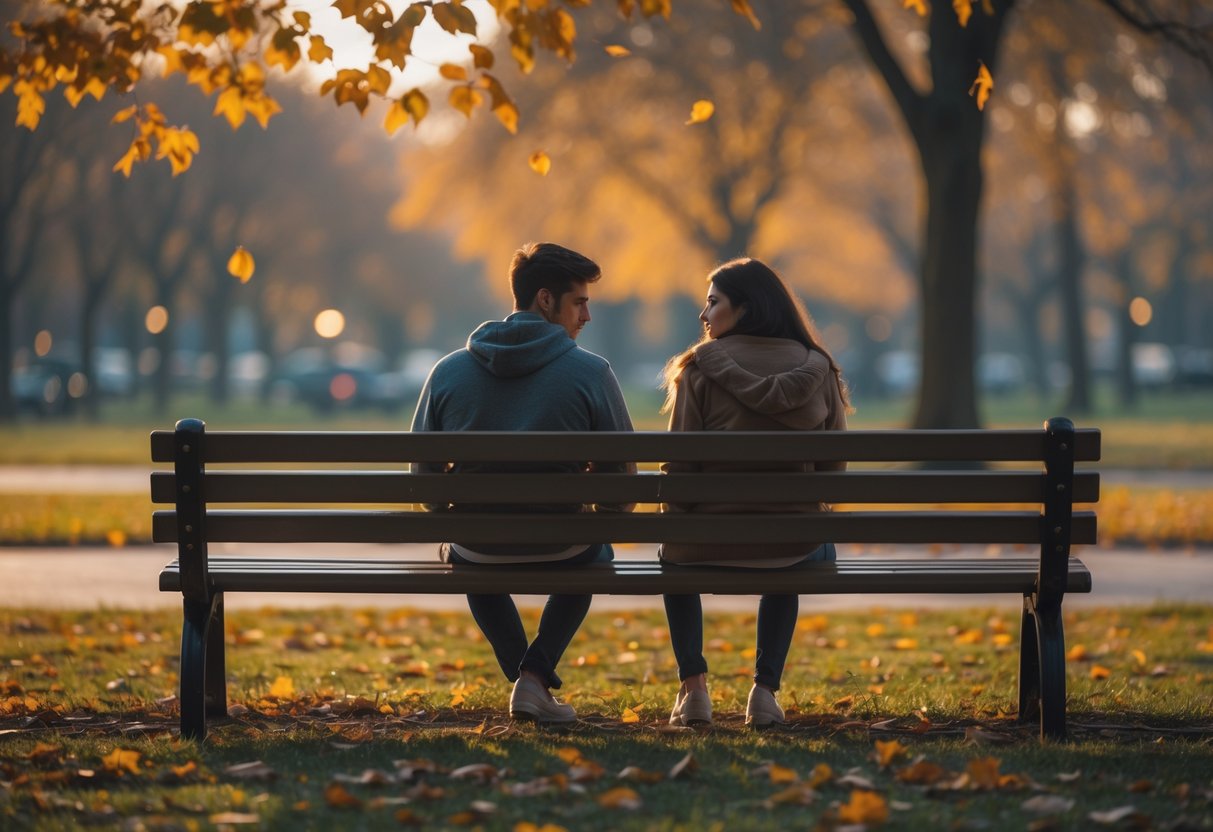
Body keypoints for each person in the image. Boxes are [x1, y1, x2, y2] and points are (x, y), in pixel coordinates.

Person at [409, 242, 636, 723]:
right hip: (566, 547)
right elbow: (622, 493)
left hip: (479, 547)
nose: (588, 316)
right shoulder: (592, 373)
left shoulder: (448, 371)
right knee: (598, 553)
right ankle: (532, 679)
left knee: (468, 552)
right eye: (580, 302)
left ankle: (527, 680)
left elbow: (424, 487)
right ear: (546, 300)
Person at [659, 257, 850, 728]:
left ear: (743, 307)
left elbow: (679, 470)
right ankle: (764, 692)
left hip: (704, 543)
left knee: (669, 550)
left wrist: (680, 521)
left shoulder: (697, 370)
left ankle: (694, 689)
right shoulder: (818, 368)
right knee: (796, 542)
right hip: (793, 545)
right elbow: (833, 470)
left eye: (712, 302)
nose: (703, 316)